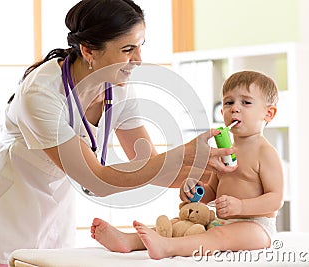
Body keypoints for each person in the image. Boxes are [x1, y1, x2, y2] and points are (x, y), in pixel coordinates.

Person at [0, 0, 236, 266]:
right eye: (127, 50)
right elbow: (97, 181)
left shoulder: (118, 87)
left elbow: (147, 164)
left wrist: (205, 174)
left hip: (54, 215)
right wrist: (182, 154)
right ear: (88, 50)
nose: (138, 60)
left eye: (140, 46)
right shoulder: (40, 93)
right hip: (1, 218)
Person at [91, 70, 284, 259]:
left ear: (269, 113)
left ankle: (167, 248)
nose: (235, 108)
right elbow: (213, 192)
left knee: (218, 237)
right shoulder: (226, 152)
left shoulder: (265, 153)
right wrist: (195, 193)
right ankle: (130, 241)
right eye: (228, 102)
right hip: (224, 221)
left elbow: (276, 199)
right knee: (178, 225)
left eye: (246, 102)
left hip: (256, 226)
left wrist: (241, 207)